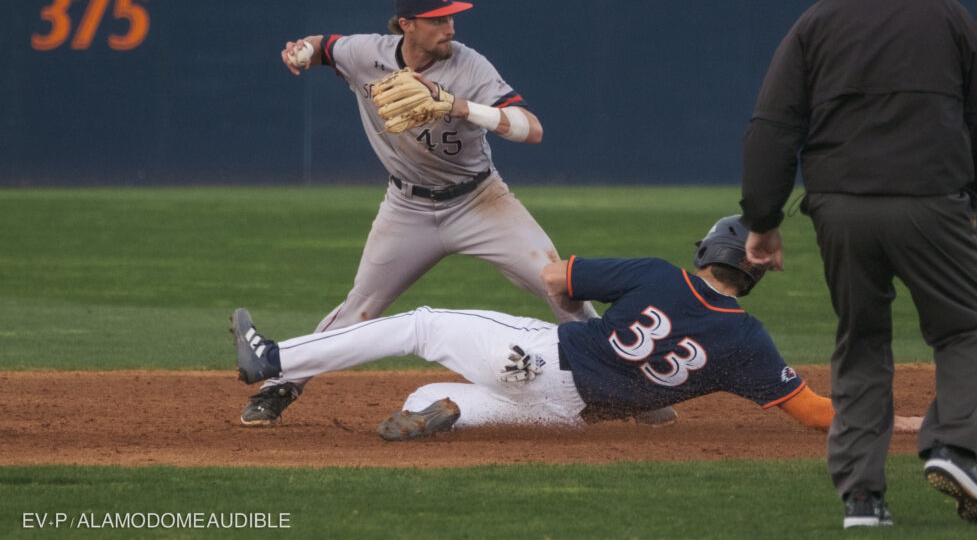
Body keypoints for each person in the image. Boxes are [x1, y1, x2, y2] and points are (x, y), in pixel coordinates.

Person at [740, 0, 977, 528]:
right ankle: (949, 446)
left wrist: (763, 221)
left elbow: (772, 129)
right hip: (930, 200)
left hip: (840, 209)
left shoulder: (816, 21)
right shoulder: (948, 15)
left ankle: (863, 499)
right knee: (970, 332)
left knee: (861, 344)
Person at [240, 0, 603, 427]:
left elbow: (532, 128)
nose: (449, 27)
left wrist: (458, 106)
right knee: (360, 308)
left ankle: (618, 372)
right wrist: (301, 53)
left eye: (451, 16)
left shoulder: (470, 67)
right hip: (407, 208)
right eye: (436, 20)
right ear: (406, 25)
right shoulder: (366, 53)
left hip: (480, 201)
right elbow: (324, 47)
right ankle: (280, 386)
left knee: (558, 284)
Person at [231, 215, 923, 439]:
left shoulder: (658, 275)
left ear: (707, 252)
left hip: (540, 354)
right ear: (753, 276)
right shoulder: (748, 341)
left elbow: (558, 279)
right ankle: (437, 410)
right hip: (574, 411)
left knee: (419, 323)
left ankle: (276, 358)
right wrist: (897, 422)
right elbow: (809, 412)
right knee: (435, 392)